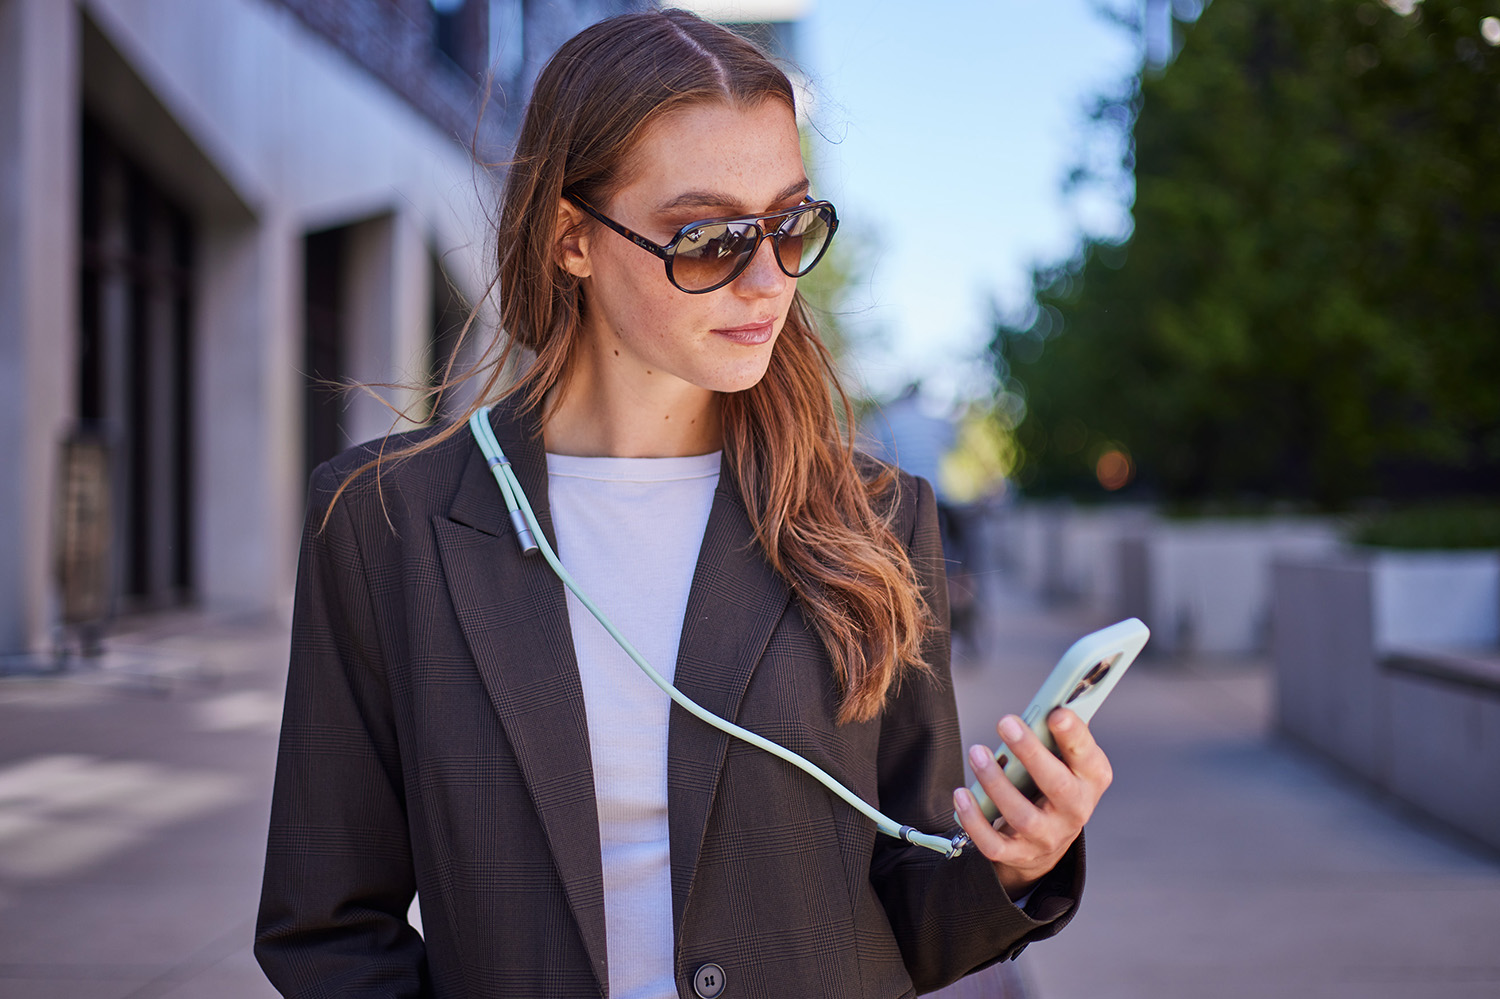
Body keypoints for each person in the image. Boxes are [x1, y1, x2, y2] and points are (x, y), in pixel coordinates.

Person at [255, 9, 1113, 998]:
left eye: (792, 225)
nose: (766, 281)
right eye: (707, 239)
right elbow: (325, 926)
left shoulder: (873, 517)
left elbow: (910, 913)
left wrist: (1012, 863)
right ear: (571, 238)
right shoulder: (383, 520)